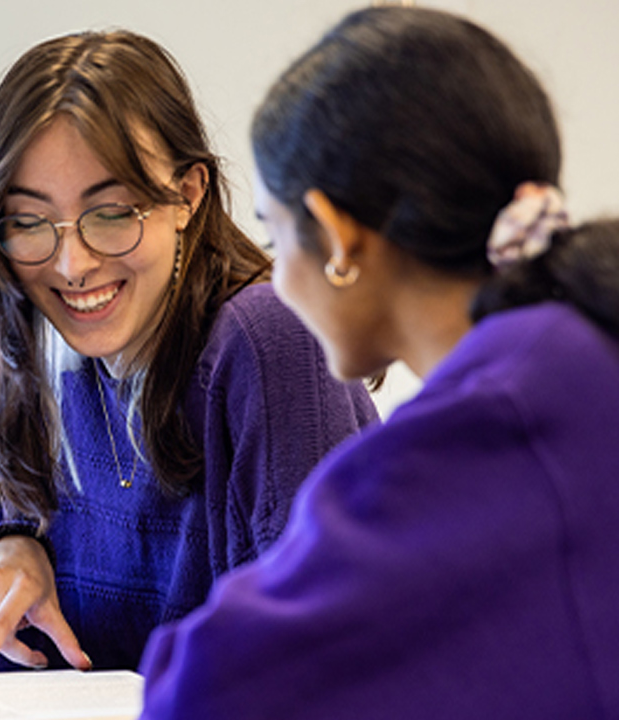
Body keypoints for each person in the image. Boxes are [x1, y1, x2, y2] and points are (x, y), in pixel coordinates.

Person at [140, 7, 619, 719]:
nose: (276, 276)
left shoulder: (490, 422)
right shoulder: (574, 349)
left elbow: (206, 687)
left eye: (274, 237)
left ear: (338, 239)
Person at [0, 30, 378, 676]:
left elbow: (329, 643)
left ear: (188, 196)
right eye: (29, 222)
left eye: (111, 213)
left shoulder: (265, 338)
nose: (72, 264)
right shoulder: (33, 370)